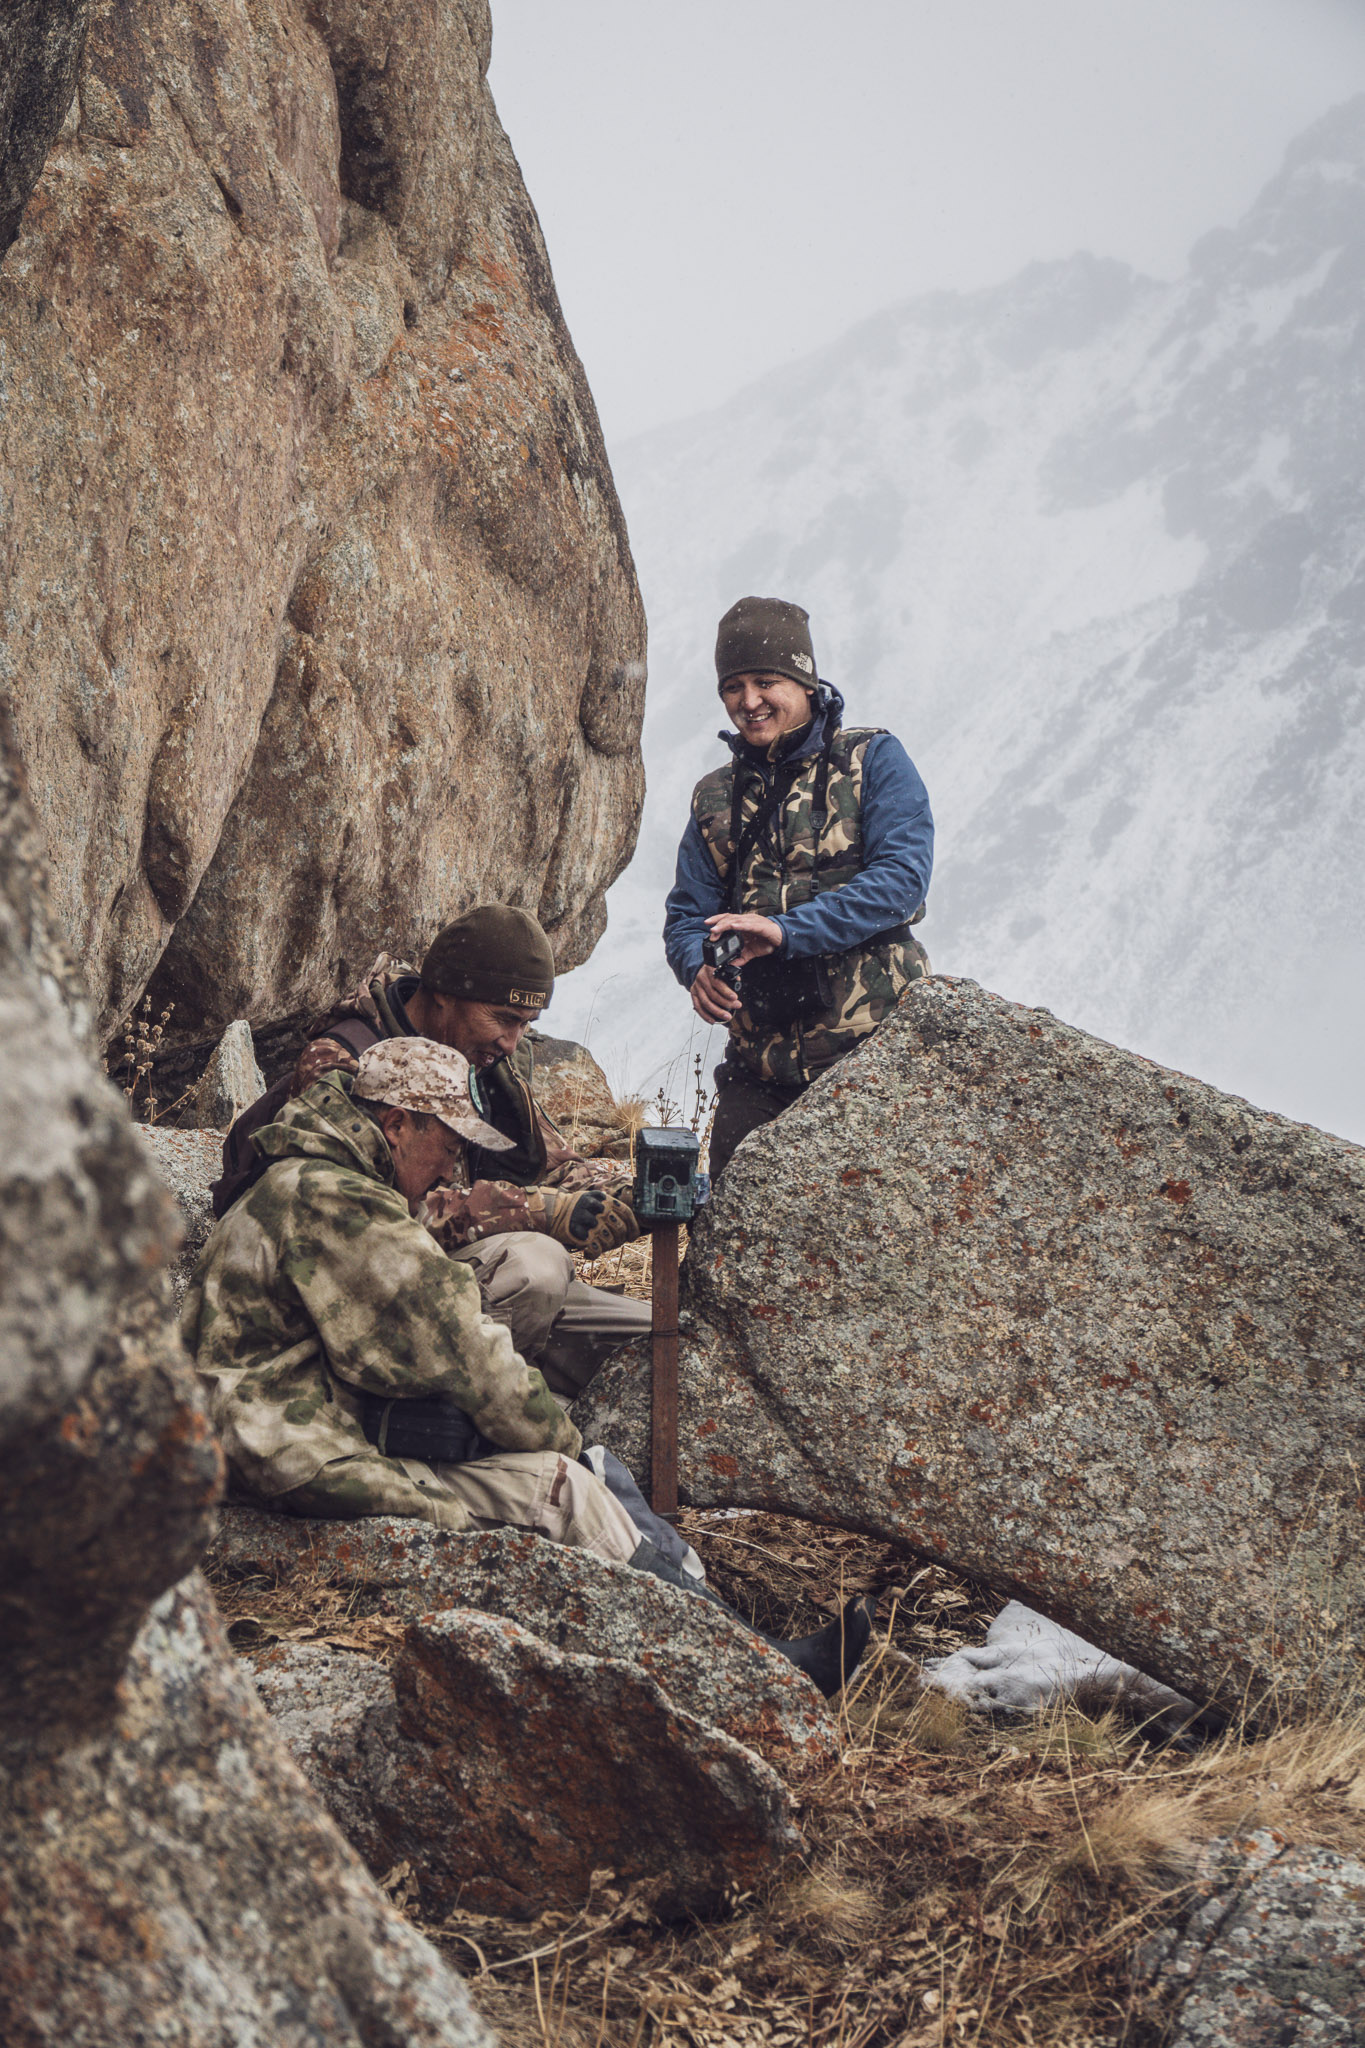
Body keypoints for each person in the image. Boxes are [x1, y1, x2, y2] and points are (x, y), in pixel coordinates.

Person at [184, 1038, 873, 1696]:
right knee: (561, 1489)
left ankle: (745, 1646)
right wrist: (565, 1444)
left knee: (563, 1473)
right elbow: (463, 1350)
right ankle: (755, 1673)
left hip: (281, 1430)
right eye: (446, 1145)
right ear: (396, 1125)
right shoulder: (337, 1201)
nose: (450, 1171)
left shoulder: (307, 1180)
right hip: (283, 1455)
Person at [212, 904, 650, 1396]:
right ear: (445, 994)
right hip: (373, 1286)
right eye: (504, 1019)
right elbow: (364, 1222)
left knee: (654, 1339)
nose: (512, 1042)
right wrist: (536, 1212)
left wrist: (634, 1197)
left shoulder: (482, 1064)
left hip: (472, 1273)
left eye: (527, 1024)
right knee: (538, 1268)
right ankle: (464, 1413)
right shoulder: (345, 1064)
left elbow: (551, 1165)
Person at [664, 596, 933, 1178]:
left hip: (877, 1058)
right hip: (759, 1070)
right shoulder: (713, 797)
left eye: (766, 682)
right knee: (728, 1223)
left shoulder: (872, 759)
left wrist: (784, 932)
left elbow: (902, 882)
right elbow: (686, 915)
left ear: (806, 683)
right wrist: (696, 968)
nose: (749, 702)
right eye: (733, 687)